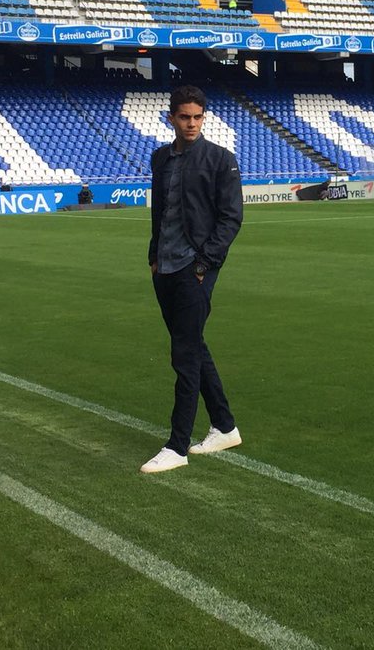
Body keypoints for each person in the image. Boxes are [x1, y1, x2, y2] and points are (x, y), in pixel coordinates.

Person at [141, 85, 244, 474]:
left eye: (198, 117)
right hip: (165, 267)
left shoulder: (220, 159)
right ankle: (224, 426)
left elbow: (231, 217)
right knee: (193, 346)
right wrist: (154, 256)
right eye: (184, 117)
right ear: (172, 118)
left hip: (195, 270)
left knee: (183, 354)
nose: (191, 123)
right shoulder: (160, 158)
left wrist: (203, 265)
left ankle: (177, 445)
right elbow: (161, 213)